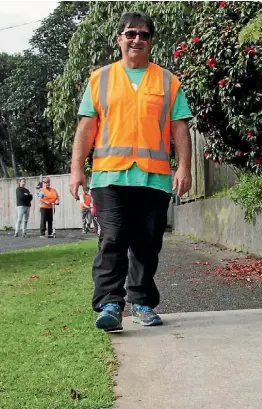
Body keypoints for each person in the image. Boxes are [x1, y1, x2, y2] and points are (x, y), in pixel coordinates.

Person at [68, 11, 193, 332]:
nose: (137, 39)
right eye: (131, 34)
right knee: (113, 239)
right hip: (110, 177)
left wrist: (184, 168)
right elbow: (86, 126)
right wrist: (76, 170)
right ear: (119, 39)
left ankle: (141, 302)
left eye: (144, 35)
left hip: (154, 178)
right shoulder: (100, 79)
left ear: (150, 41)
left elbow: (179, 127)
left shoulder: (168, 81)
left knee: (148, 243)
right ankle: (110, 303)